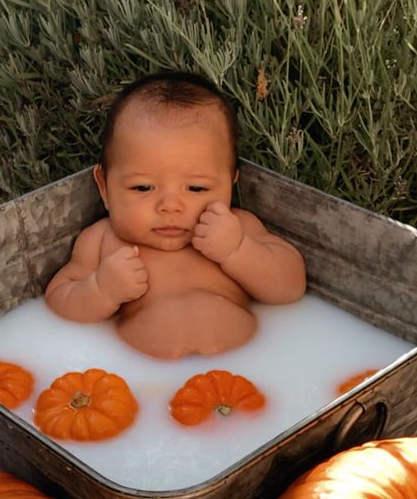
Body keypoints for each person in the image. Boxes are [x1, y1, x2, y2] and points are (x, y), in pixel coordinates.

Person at [45, 71, 306, 359]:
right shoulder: (101, 241)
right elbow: (58, 299)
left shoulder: (239, 228)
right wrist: (100, 290)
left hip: (249, 374)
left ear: (231, 181)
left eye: (196, 187)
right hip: (145, 385)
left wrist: (238, 251)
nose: (170, 206)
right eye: (143, 187)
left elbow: (290, 287)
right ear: (105, 187)